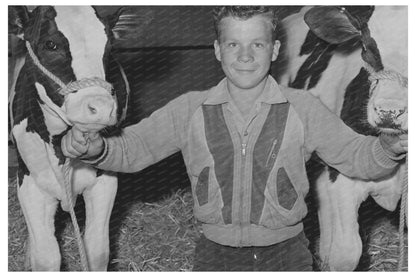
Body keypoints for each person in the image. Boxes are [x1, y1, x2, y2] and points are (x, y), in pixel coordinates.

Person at [61, 6, 408, 271]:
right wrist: (97, 148)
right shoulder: (189, 108)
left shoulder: (303, 107)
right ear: (217, 50)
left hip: (288, 254)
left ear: (274, 50)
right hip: (215, 254)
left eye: (257, 44)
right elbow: (132, 150)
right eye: (233, 44)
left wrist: (387, 148)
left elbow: (355, 156)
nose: (245, 56)